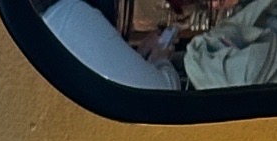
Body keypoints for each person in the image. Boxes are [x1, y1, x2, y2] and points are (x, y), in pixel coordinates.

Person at [36, 0, 182, 89]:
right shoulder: (70, 14)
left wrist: (139, 59)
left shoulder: (59, 15)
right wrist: (160, 59)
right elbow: (162, 96)